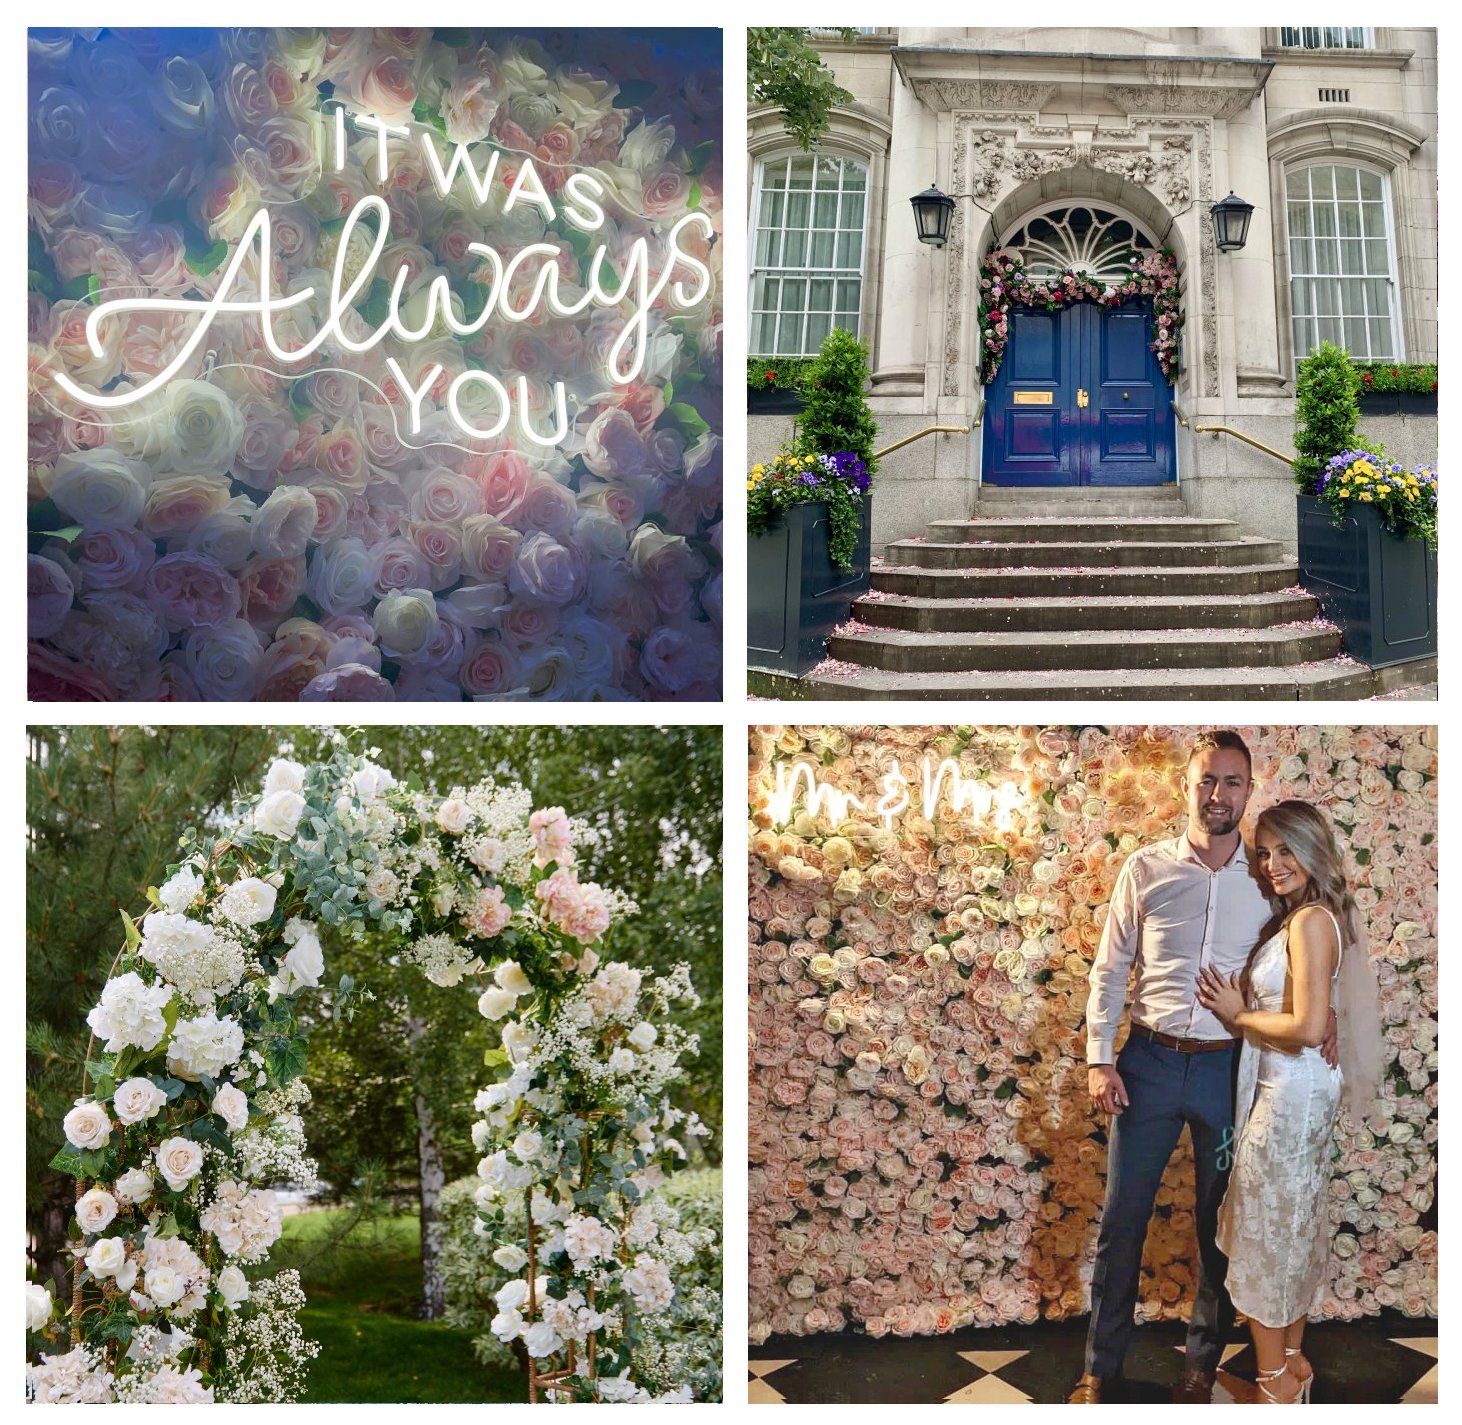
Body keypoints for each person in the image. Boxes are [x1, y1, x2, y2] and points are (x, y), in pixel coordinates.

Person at [1069, 731, 1336, 1405]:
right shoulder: (1146, 867)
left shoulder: (1268, 872)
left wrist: (1327, 1011)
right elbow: (1110, 967)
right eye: (1207, 781)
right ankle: (1101, 1368)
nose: (1219, 794)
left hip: (1230, 1071)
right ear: (1186, 786)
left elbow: (1315, 935)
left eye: (1234, 782)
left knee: (1221, 1226)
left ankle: (1200, 1365)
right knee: (1122, 1220)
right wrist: (1101, 1057)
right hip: (1149, 1062)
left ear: (1250, 789)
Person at [1196, 801, 1383, 1404]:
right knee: (1287, 1221)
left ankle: (1273, 1386)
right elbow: (1313, 1015)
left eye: (1285, 850)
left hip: (1292, 1092)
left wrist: (1236, 1015)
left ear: (1312, 850)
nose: (1272, 864)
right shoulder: (1311, 918)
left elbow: (1303, 1029)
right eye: (1265, 852)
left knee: (1268, 1229)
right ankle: (1293, 1366)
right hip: (1295, 1088)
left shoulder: (1308, 922)